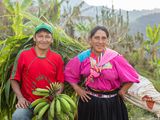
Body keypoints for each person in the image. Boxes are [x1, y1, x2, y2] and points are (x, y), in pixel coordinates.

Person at [64, 26, 140, 120]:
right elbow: (69, 72)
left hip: (112, 104)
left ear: (107, 40)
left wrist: (122, 91)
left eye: (103, 38)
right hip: (90, 102)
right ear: (90, 40)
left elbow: (132, 75)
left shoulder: (115, 57)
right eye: (96, 38)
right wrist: (77, 89)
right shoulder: (83, 57)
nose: (100, 41)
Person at [10, 23, 64, 120]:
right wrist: (20, 98)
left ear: (51, 40)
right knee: (18, 117)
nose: (44, 40)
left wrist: (56, 98)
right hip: (28, 102)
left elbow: (60, 82)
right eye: (40, 36)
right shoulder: (24, 55)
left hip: (49, 103)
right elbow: (14, 79)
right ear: (34, 38)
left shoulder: (57, 58)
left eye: (47, 37)